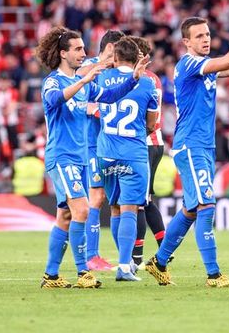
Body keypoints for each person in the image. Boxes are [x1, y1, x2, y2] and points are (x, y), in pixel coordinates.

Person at [145, 16, 229, 287]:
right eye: (200, 36)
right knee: (206, 205)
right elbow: (228, 60)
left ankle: (159, 262)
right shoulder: (190, 63)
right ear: (186, 42)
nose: (206, 39)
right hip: (191, 144)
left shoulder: (204, 67)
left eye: (207, 34)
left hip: (202, 144)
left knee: (192, 209)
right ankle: (213, 274)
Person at [36, 26, 146, 289]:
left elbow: (108, 96)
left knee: (65, 216)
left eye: (84, 48)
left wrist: (133, 78)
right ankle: (83, 271)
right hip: (61, 156)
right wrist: (83, 81)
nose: (83, 53)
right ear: (63, 53)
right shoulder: (53, 81)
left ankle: (50, 276)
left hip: (80, 158)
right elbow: (53, 100)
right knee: (82, 210)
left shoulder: (83, 85)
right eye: (77, 49)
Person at [96, 36, 158, 282]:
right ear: (136, 60)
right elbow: (152, 124)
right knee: (130, 208)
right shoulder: (146, 83)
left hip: (105, 154)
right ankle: (125, 265)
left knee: (114, 208)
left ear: (116, 58)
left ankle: (123, 263)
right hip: (133, 153)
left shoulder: (101, 77)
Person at [80, 29, 123, 272]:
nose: (114, 57)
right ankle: (91, 256)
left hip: (112, 143)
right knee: (96, 198)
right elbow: (76, 83)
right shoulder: (91, 66)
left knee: (116, 200)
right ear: (104, 49)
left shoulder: (117, 73)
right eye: (111, 51)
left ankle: (126, 258)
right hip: (92, 143)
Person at [128, 35, 169, 270]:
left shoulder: (141, 79)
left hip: (144, 143)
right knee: (145, 199)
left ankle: (136, 259)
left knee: (138, 203)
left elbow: (145, 118)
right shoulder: (154, 78)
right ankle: (165, 247)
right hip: (154, 142)